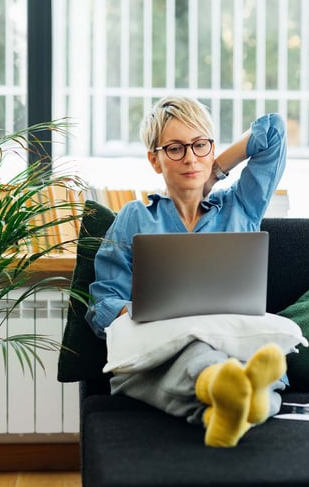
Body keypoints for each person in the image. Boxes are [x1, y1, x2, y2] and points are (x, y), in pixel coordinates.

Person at [85, 96, 289, 447]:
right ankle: (240, 391)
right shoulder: (135, 217)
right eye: (176, 149)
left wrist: (214, 171)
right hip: (160, 346)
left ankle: (219, 402)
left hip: (232, 337)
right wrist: (154, 315)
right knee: (198, 358)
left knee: (224, 363)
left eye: (199, 145)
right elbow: (103, 301)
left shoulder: (240, 205)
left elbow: (273, 131)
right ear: (155, 159)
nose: (191, 158)